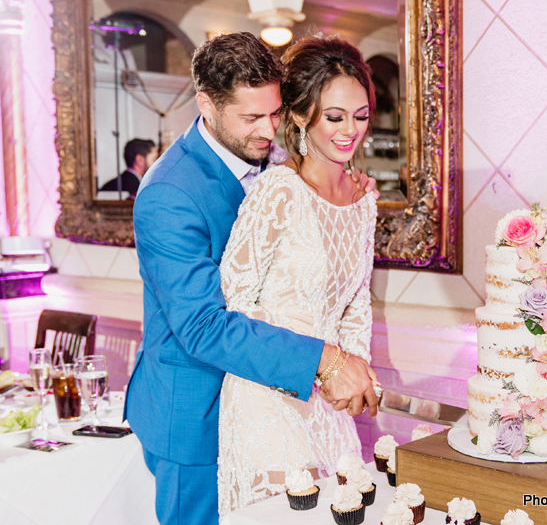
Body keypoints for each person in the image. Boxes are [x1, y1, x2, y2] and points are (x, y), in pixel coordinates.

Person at [123, 32, 379, 525]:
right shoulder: (168, 194)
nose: (269, 129)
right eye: (252, 117)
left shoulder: (275, 161)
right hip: (196, 411)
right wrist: (323, 361)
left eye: (277, 112)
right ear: (207, 105)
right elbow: (202, 326)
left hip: (284, 407)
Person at [217, 34, 378, 516]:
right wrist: (314, 367)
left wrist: (356, 373)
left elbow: (357, 303)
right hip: (266, 401)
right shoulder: (276, 192)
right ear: (301, 117)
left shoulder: (365, 199)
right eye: (334, 117)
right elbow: (233, 307)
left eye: (361, 115)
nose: (350, 130)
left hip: (331, 405)